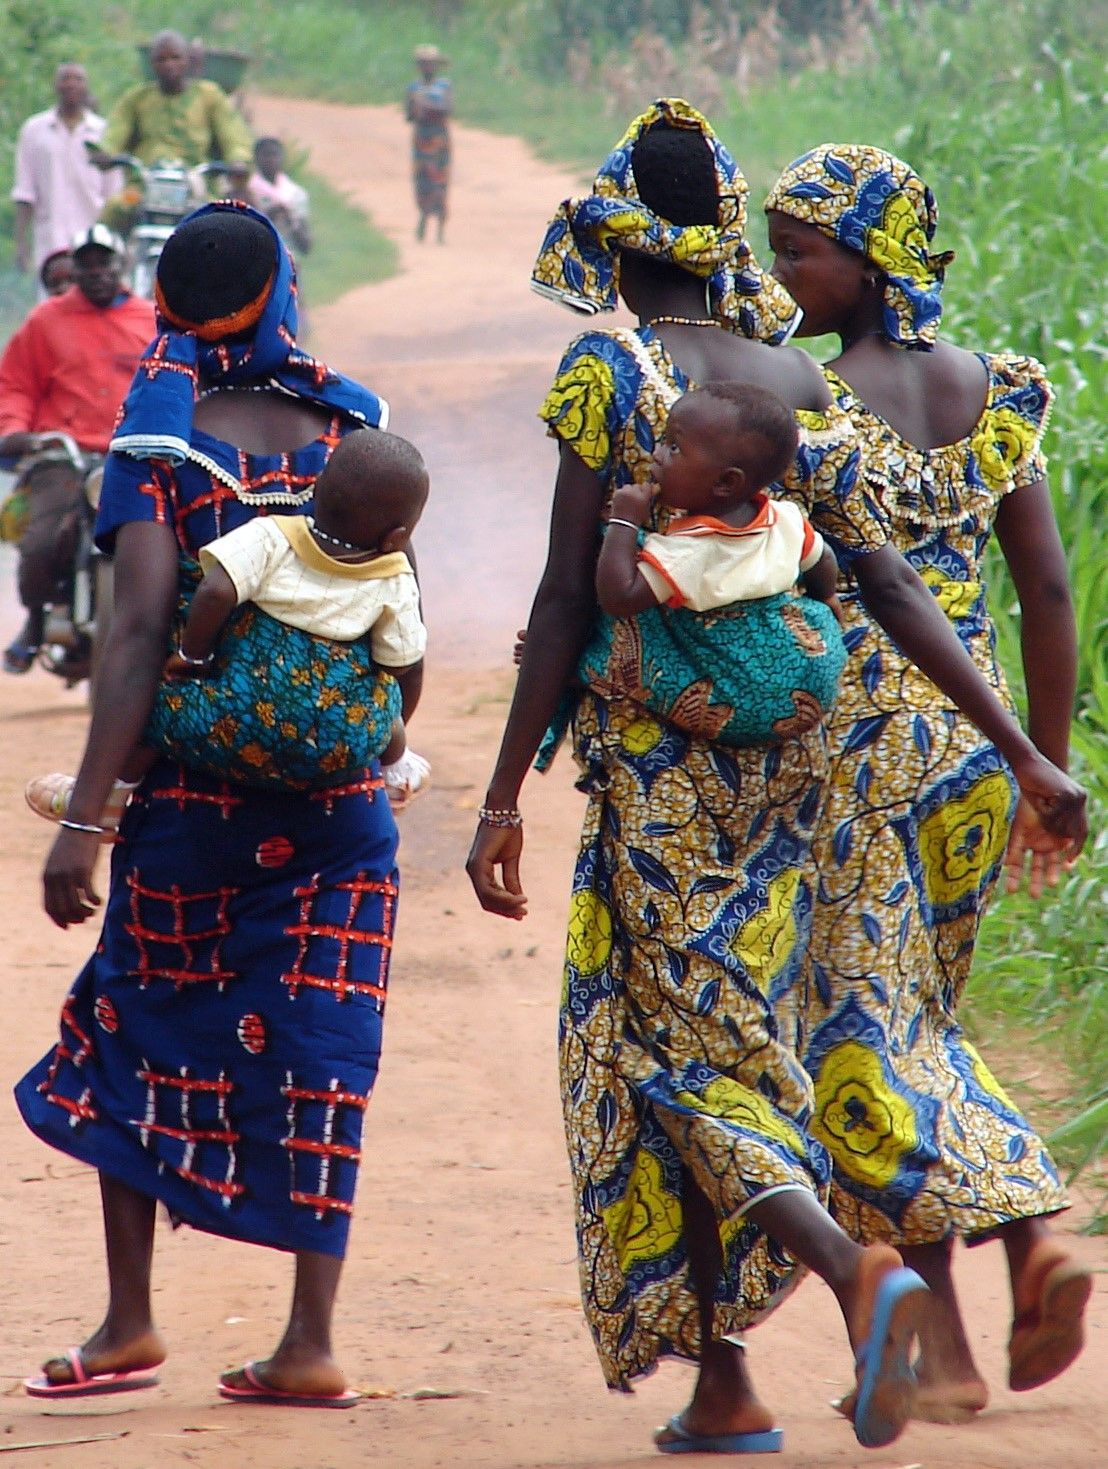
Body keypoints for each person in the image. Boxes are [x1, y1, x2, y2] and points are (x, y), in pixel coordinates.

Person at [465, 100, 1085, 1454]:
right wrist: (1025, 749)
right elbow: (884, 583)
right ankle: (734, 1381)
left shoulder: (614, 376)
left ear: (616, 238)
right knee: (800, 1035)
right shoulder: (796, 383)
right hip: (818, 784)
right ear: (727, 231)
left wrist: (505, 791)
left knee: (671, 1059)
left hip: (666, 784)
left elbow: (569, 602)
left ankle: (840, 1293)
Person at [14, 201, 402, 1409]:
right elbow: (397, 617)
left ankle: (131, 1318)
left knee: (129, 1021)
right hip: (342, 812)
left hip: (195, 812)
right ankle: (310, 1337)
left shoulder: (161, 444)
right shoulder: (358, 428)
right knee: (323, 1056)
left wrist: (87, 819)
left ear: (170, 310)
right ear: (281, 291)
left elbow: (134, 636)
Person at [764, 143, 1092, 1419]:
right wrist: (1040, 761)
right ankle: (965, 1324)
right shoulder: (991, 389)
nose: (783, 271)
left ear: (871, 257)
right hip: (976, 752)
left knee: (860, 1040)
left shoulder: (808, 399)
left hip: (856, 756)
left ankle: (1025, 1236)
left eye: (803, 249)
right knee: (916, 1028)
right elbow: (1049, 591)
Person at [25, 426, 431, 829]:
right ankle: (397, 771)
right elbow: (405, 665)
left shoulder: (272, 535)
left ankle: (111, 797)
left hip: (236, 715)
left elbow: (216, 591)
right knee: (383, 698)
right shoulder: (393, 580)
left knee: (153, 711)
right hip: (337, 741)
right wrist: (375, 717)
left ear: (316, 490)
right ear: (398, 537)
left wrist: (193, 656)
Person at [587, 380, 844, 749]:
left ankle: (587, 665)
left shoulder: (689, 552)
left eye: (674, 447)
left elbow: (618, 597)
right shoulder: (785, 517)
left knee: (638, 608)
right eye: (662, 440)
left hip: (741, 699)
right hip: (814, 678)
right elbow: (823, 559)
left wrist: (624, 524)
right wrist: (828, 598)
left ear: (725, 483)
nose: (657, 454)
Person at [0, 224, 154, 674]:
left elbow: (175, 386)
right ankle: (36, 619)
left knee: (177, 542)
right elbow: (16, 386)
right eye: (86, 265)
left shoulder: (150, 320)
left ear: (121, 264)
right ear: (77, 271)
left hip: (133, 457)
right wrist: (16, 429)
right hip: (63, 454)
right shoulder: (46, 321)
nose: (96, 273)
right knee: (41, 543)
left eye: (104, 262)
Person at [90, 30, 252, 232]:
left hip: (196, 189)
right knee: (113, 210)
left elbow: (232, 133)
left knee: (222, 224)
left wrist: (238, 159)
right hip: (144, 186)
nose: (169, 65)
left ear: (188, 61)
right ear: (151, 64)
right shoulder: (137, 98)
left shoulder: (209, 96)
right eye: (161, 59)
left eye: (175, 57)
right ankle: (109, 262)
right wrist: (105, 152)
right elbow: (115, 131)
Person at [10, 63, 113, 287]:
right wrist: (20, 243)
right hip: (50, 235)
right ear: (56, 85)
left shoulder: (103, 132)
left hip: (93, 234)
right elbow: (25, 191)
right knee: (53, 300)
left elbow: (113, 193)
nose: (71, 84)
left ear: (86, 86)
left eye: (78, 78)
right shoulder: (34, 130)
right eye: (65, 78)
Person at [405, 44, 452, 243]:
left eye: (431, 64)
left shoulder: (444, 86)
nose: (427, 67)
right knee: (422, 182)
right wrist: (419, 109)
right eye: (424, 64)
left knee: (440, 183)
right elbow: (409, 115)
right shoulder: (413, 88)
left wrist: (424, 106)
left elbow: (449, 109)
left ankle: (440, 231)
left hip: (439, 139)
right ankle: (423, 220)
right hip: (421, 138)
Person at [247, 137, 311, 255]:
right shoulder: (247, 190)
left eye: (274, 155)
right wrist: (267, 217)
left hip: (288, 258)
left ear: (283, 159)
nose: (270, 160)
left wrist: (290, 219)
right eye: (266, 155)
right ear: (256, 158)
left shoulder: (295, 193)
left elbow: (306, 246)